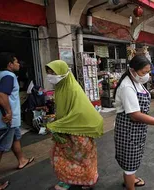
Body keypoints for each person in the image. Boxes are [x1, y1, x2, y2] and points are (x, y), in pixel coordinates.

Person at [114, 55, 154, 190]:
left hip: (137, 129)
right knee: (129, 161)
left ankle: (130, 179)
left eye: (148, 72)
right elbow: (135, 115)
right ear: (132, 70)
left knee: (133, 157)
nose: (146, 75)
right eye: (144, 72)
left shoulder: (136, 82)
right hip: (128, 130)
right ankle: (129, 184)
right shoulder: (127, 87)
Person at [45, 60, 103, 190]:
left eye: (53, 72)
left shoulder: (72, 88)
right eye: (48, 72)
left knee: (68, 158)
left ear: (62, 72)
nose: (50, 75)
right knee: (76, 158)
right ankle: (85, 180)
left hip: (78, 131)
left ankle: (77, 181)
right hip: (68, 129)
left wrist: (57, 125)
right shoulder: (61, 87)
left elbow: (78, 112)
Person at [0, 53, 34, 190]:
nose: (19, 64)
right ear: (10, 64)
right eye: (16, 62)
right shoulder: (8, 76)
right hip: (7, 119)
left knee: (16, 138)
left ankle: (22, 160)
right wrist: (8, 112)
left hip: (7, 118)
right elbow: (1, 94)